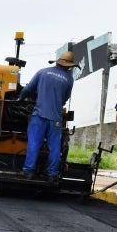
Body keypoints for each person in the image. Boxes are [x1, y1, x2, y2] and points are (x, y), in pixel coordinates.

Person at [19, 51, 77, 182]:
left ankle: (28, 171)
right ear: (69, 66)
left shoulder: (42, 72)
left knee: (34, 143)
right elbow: (65, 98)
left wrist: (21, 98)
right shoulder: (69, 79)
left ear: (58, 61)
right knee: (55, 147)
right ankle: (52, 174)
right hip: (55, 118)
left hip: (39, 115)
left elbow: (28, 89)